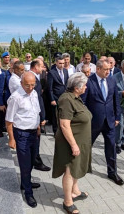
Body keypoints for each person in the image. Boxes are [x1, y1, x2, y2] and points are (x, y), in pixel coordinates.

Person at [53, 72, 91, 214]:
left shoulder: (75, 97)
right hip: (70, 142)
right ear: (77, 87)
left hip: (79, 141)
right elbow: (64, 125)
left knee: (76, 167)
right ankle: (68, 201)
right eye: (84, 85)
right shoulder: (66, 100)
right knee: (69, 170)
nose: (86, 88)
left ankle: (75, 191)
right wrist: (74, 145)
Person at [81, 59, 124, 185]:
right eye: (105, 69)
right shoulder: (89, 82)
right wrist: (85, 119)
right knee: (87, 146)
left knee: (111, 147)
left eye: (109, 69)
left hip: (109, 121)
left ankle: (112, 172)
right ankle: (84, 166)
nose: (108, 72)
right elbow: (82, 102)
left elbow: (115, 99)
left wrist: (117, 117)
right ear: (98, 69)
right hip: (93, 122)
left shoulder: (111, 80)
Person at [5, 72, 42, 208]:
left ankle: (25, 182)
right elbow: (9, 120)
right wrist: (11, 139)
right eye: (28, 85)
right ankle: (28, 192)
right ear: (21, 83)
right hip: (22, 135)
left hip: (34, 133)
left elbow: (35, 111)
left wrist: (38, 126)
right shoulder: (16, 97)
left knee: (32, 161)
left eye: (33, 85)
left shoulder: (34, 93)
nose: (31, 87)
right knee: (25, 164)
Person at [29, 59, 51, 171]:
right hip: (34, 115)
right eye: (42, 66)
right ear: (36, 67)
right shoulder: (31, 79)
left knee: (36, 139)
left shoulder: (34, 77)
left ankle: (35, 159)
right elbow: (37, 100)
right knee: (36, 139)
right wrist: (41, 116)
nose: (43, 69)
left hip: (36, 114)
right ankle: (36, 161)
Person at [48, 56, 69, 133]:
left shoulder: (66, 71)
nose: (62, 65)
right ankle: (55, 131)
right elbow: (49, 88)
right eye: (60, 63)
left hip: (65, 96)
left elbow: (66, 83)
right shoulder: (52, 73)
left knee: (64, 114)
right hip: (56, 97)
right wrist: (52, 99)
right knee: (55, 115)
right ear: (56, 63)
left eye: (63, 63)